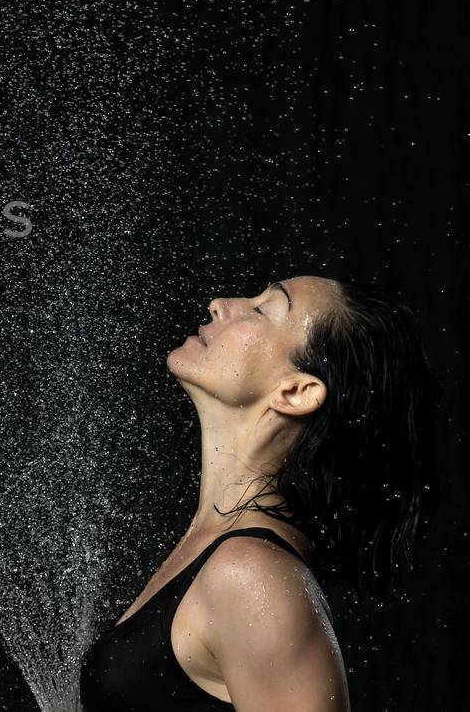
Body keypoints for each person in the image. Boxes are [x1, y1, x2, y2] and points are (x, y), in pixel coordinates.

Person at [78, 276, 440, 711]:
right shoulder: (221, 549)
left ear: (296, 391)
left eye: (262, 309)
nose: (219, 304)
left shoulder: (253, 577)